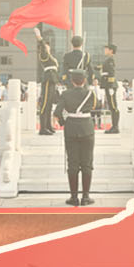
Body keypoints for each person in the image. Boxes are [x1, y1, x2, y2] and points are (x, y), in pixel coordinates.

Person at [55, 69, 99, 207]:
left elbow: (57, 112)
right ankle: (85, 197)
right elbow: (96, 106)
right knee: (87, 163)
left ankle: (73, 197)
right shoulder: (90, 94)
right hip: (87, 128)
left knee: (72, 164)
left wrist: (63, 122)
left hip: (71, 128)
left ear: (72, 81)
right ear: (84, 81)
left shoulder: (65, 94)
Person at [35, 28, 60, 135]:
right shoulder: (43, 55)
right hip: (48, 80)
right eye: (46, 45)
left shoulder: (50, 56)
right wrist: (39, 38)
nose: (47, 47)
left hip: (52, 80)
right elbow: (43, 48)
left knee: (49, 104)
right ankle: (43, 128)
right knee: (45, 104)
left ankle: (48, 126)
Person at [100, 44, 122, 134]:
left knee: (113, 107)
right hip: (108, 85)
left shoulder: (110, 60)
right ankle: (114, 126)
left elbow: (111, 73)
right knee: (111, 106)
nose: (105, 50)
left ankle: (115, 127)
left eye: (106, 49)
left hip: (110, 86)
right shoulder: (108, 59)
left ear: (111, 50)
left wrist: (110, 85)